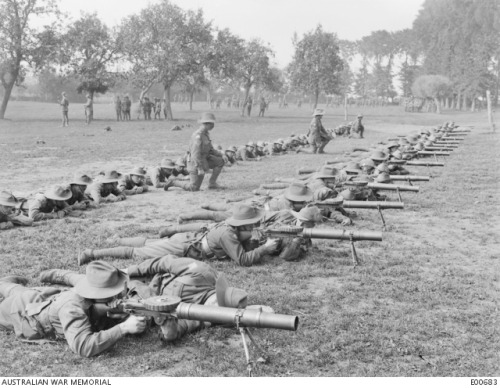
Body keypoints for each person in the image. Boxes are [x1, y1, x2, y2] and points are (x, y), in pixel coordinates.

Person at [40, 257, 257, 342]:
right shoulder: (201, 272)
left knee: (94, 298)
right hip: (148, 283)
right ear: (216, 296)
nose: (212, 311)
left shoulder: (203, 316)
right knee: (91, 284)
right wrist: (129, 270)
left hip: (140, 300)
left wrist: (165, 323)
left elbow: (175, 331)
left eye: (217, 314)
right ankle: (60, 275)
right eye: (215, 306)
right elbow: (160, 262)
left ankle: (42, 292)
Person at [0, 262, 146, 358]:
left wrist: (47, 274)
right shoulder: (73, 308)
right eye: (111, 293)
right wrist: (123, 327)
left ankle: (5, 283)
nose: (118, 295)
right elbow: (83, 346)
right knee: (16, 297)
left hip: (43, 296)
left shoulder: (96, 280)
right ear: (96, 293)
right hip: (19, 312)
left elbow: (68, 276)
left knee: (20, 291)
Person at [78, 204, 278, 267]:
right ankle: (92, 253)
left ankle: (117, 239)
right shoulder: (229, 234)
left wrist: (254, 241)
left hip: (190, 240)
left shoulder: (232, 228)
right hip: (186, 248)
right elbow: (242, 260)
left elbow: (243, 245)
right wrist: (264, 248)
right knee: (139, 253)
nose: (257, 225)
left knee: (150, 242)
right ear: (244, 224)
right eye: (253, 223)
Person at [166, 113, 224, 192]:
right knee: (194, 187)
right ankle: (173, 182)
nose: (213, 125)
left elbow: (210, 150)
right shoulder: (198, 136)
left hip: (204, 160)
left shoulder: (205, 134)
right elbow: (195, 154)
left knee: (220, 161)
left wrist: (222, 154)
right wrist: (199, 168)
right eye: (211, 123)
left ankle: (212, 183)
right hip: (194, 163)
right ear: (206, 124)